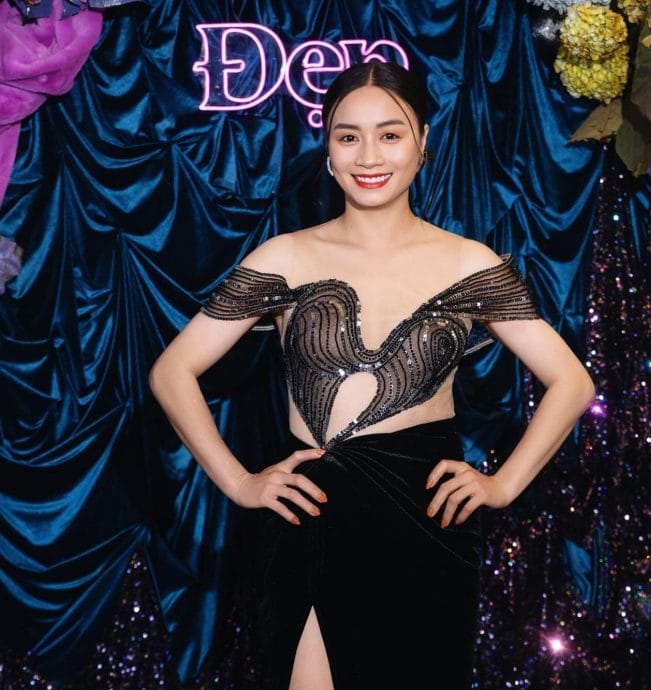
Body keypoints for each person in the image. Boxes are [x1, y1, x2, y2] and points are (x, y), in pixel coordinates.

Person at [149, 61, 595, 690]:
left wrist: (502, 486)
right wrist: (240, 482)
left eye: (390, 134)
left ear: (423, 141)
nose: (368, 155)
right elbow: (173, 371)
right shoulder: (285, 258)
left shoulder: (469, 265)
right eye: (347, 136)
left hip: (428, 525)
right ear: (328, 150)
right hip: (313, 521)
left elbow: (572, 383)